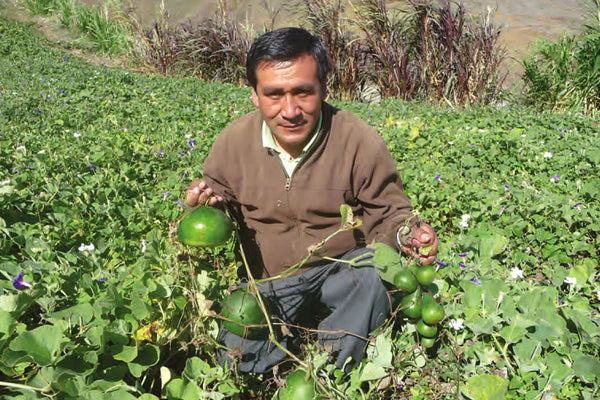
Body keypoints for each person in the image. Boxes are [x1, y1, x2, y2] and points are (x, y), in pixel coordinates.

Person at [185, 27, 438, 374]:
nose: (290, 110)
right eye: (274, 95)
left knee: (372, 277)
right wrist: (205, 205)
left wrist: (407, 235)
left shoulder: (357, 139)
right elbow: (218, 204)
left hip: (341, 270)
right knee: (239, 358)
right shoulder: (232, 144)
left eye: (303, 92)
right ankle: (270, 369)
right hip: (268, 283)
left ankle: (331, 370)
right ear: (255, 95)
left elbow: (390, 211)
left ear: (323, 88)